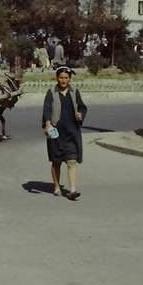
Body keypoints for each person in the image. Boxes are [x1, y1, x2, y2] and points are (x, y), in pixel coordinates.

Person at [42, 66, 88, 201]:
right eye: (61, 78)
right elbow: (47, 109)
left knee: (71, 161)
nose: (63, 80)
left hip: (71, 131)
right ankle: (56, 186)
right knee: (56, 162)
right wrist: (48, 122)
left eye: (66, 78)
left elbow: (82, 107)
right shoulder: (51, 92)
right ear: (57, 78)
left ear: (69, 79)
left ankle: (72, 190)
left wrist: (80, 115)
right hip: (56, 132)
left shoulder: (74, 92)